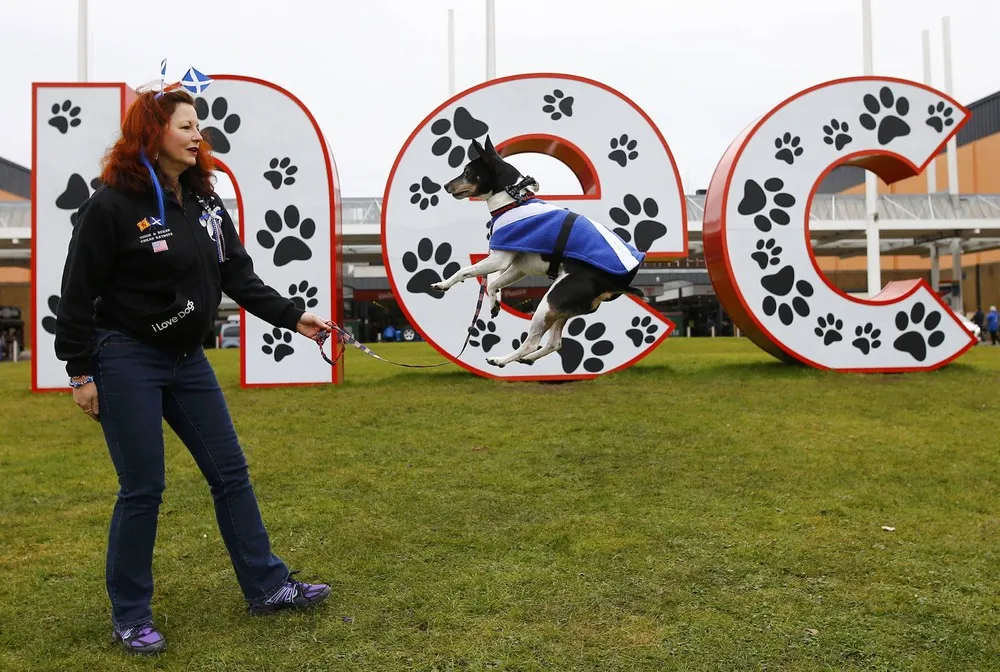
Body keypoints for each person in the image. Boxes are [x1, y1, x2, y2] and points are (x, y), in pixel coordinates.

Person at [54, 84, 333, 656]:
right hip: (123, 356)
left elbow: (238, 275)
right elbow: (76, 292)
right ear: (151, 133)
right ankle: (131, 616)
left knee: (230, 472)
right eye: (185, 125)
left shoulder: (205, 201)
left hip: (188, 361)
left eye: (198, 124)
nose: (197, 134)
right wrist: (80, 372)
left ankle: (268, 587)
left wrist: (292, 317)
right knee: (143, 488)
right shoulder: (110, 203)